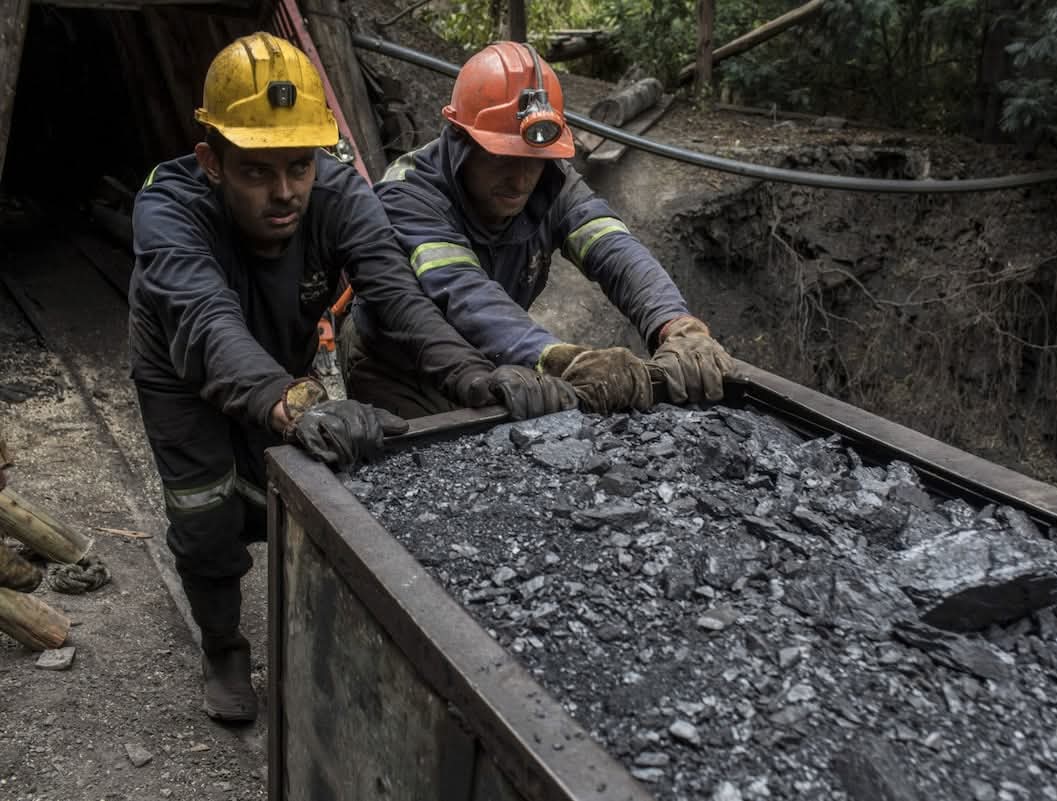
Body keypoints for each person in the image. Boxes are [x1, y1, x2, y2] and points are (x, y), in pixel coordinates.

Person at [128, 33, 572, 723]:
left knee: (289, 480)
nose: (284, 192)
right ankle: (223, 646)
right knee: (204, 505)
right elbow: (208, 322)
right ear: (212, 162)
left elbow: (396, 295)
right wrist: (294, 400)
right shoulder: (167, 210)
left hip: (280, 346)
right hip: (180, 363)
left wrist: (476, 376)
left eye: (299, 166)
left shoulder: (337, 193)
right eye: (257, 171)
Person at [340, 41, 733, 417]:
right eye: (503, 158)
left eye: (535, 159)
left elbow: (614, 249)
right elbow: (463, 293)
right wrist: (559, 358)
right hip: (399, 370)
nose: (521, 179)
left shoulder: (550, 180)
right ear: (460, 140)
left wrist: (674, 323)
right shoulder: (409, 193)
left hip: (494, 360)